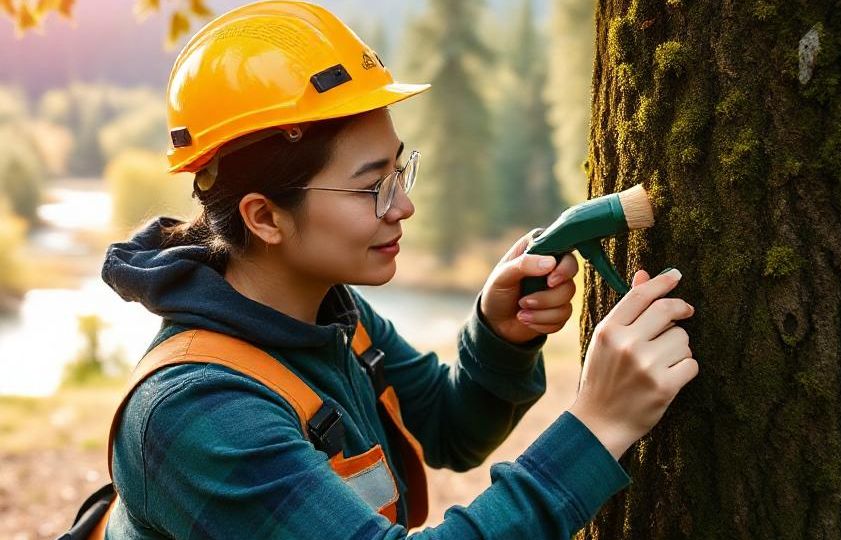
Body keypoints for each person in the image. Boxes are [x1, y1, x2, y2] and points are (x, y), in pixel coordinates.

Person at [100, 2, 698, 538]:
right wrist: (597, 426)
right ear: (265, 218)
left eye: (398, 171)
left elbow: (448, 429)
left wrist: (499, 336)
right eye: (372, 187)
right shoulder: (196, 413)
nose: (403, 206)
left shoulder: (333, 315)